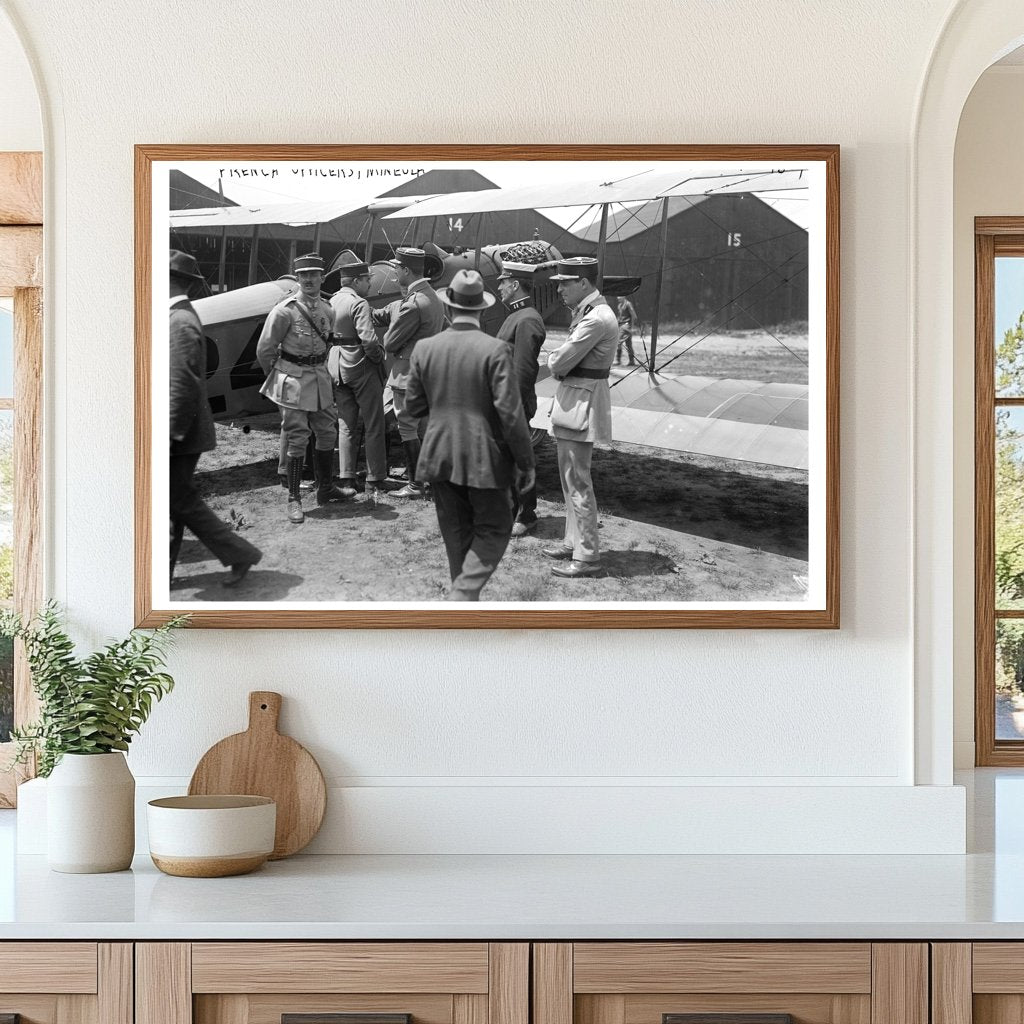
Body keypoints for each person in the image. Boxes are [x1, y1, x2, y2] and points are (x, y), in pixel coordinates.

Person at [406, 270, 535, 601]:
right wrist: (525, 462)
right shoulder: (495, 350)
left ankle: (462, 604)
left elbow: (414, 406)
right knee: (496, 527)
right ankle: (462, 597)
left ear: (449, 309)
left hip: (438, 454)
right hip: (482, 457)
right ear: (481, 309)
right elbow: (511, 414)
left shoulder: (424, 348)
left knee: (456, 536)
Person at [168, 250, 261, 586]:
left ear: (170, 280)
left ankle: (240, 553)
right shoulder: (179, 316)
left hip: (181, 432)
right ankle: (164, 573)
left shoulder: (179, 321)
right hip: (184, 430)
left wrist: (169, 433)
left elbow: (181, 384)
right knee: (175, 502)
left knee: (180, 500)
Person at [256, 252, 349, 523]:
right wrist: (279, 377)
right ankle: (294, 498)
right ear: (297, 278)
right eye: (303, 275)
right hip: (293, 381)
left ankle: (326, 488)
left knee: (327, 433)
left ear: (322, 277)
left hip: (319, 378)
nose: (308, 280)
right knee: (297, 438)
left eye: (313, 275)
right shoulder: (285, 310)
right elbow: (265, 349)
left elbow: (327, 343)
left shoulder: (328, 309)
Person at [543, 257, 618, 578]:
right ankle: (573, 542)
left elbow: (559, 363)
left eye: (565, 283)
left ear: (584, 283)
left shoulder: (596, 318)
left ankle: (587, 556)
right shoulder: (589, 313)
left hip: (581, 405)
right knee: (569, 480)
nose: (560, 289)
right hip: (575, 402)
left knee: (578, 482)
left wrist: (554, 361)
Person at [382, 247, 445, 498]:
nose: (395, 273)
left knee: (407, 427)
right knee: (425, 427)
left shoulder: (413, 304)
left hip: (408, 375)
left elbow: (389, 343)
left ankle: (415, 485)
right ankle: (430, 481)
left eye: (397, 268)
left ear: (406, 270)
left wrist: (394, 319)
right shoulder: (433, 297)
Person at [327, 258, 390, 495]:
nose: (369, 284)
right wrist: (378, 358)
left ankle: (347, 478)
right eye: (366, 280)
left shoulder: (332, 301)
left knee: (346, 425)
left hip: (337, 366)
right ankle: (374, 478)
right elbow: (369, 341)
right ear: (355, 281)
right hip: (361, 366)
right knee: (374, 423)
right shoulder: (359, 303)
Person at [495, 265, 546, 536]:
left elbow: (524, 370)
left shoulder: (526, 319)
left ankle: (526, 515)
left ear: (515, 285)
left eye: (503, 282)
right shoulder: (517, 316)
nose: (499, 287)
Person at [616, 294, 638, 366]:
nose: (618, 298)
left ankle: (618, 360)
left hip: (626, 325)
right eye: (618, 296)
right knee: (628, 344)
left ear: (624, 296)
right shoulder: (619, 305)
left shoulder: (628, 304)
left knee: (618, 342)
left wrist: (631, 326)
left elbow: (634, 315)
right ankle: (631, 361)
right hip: (621, 325)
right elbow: (620, 316)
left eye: (620, 296)